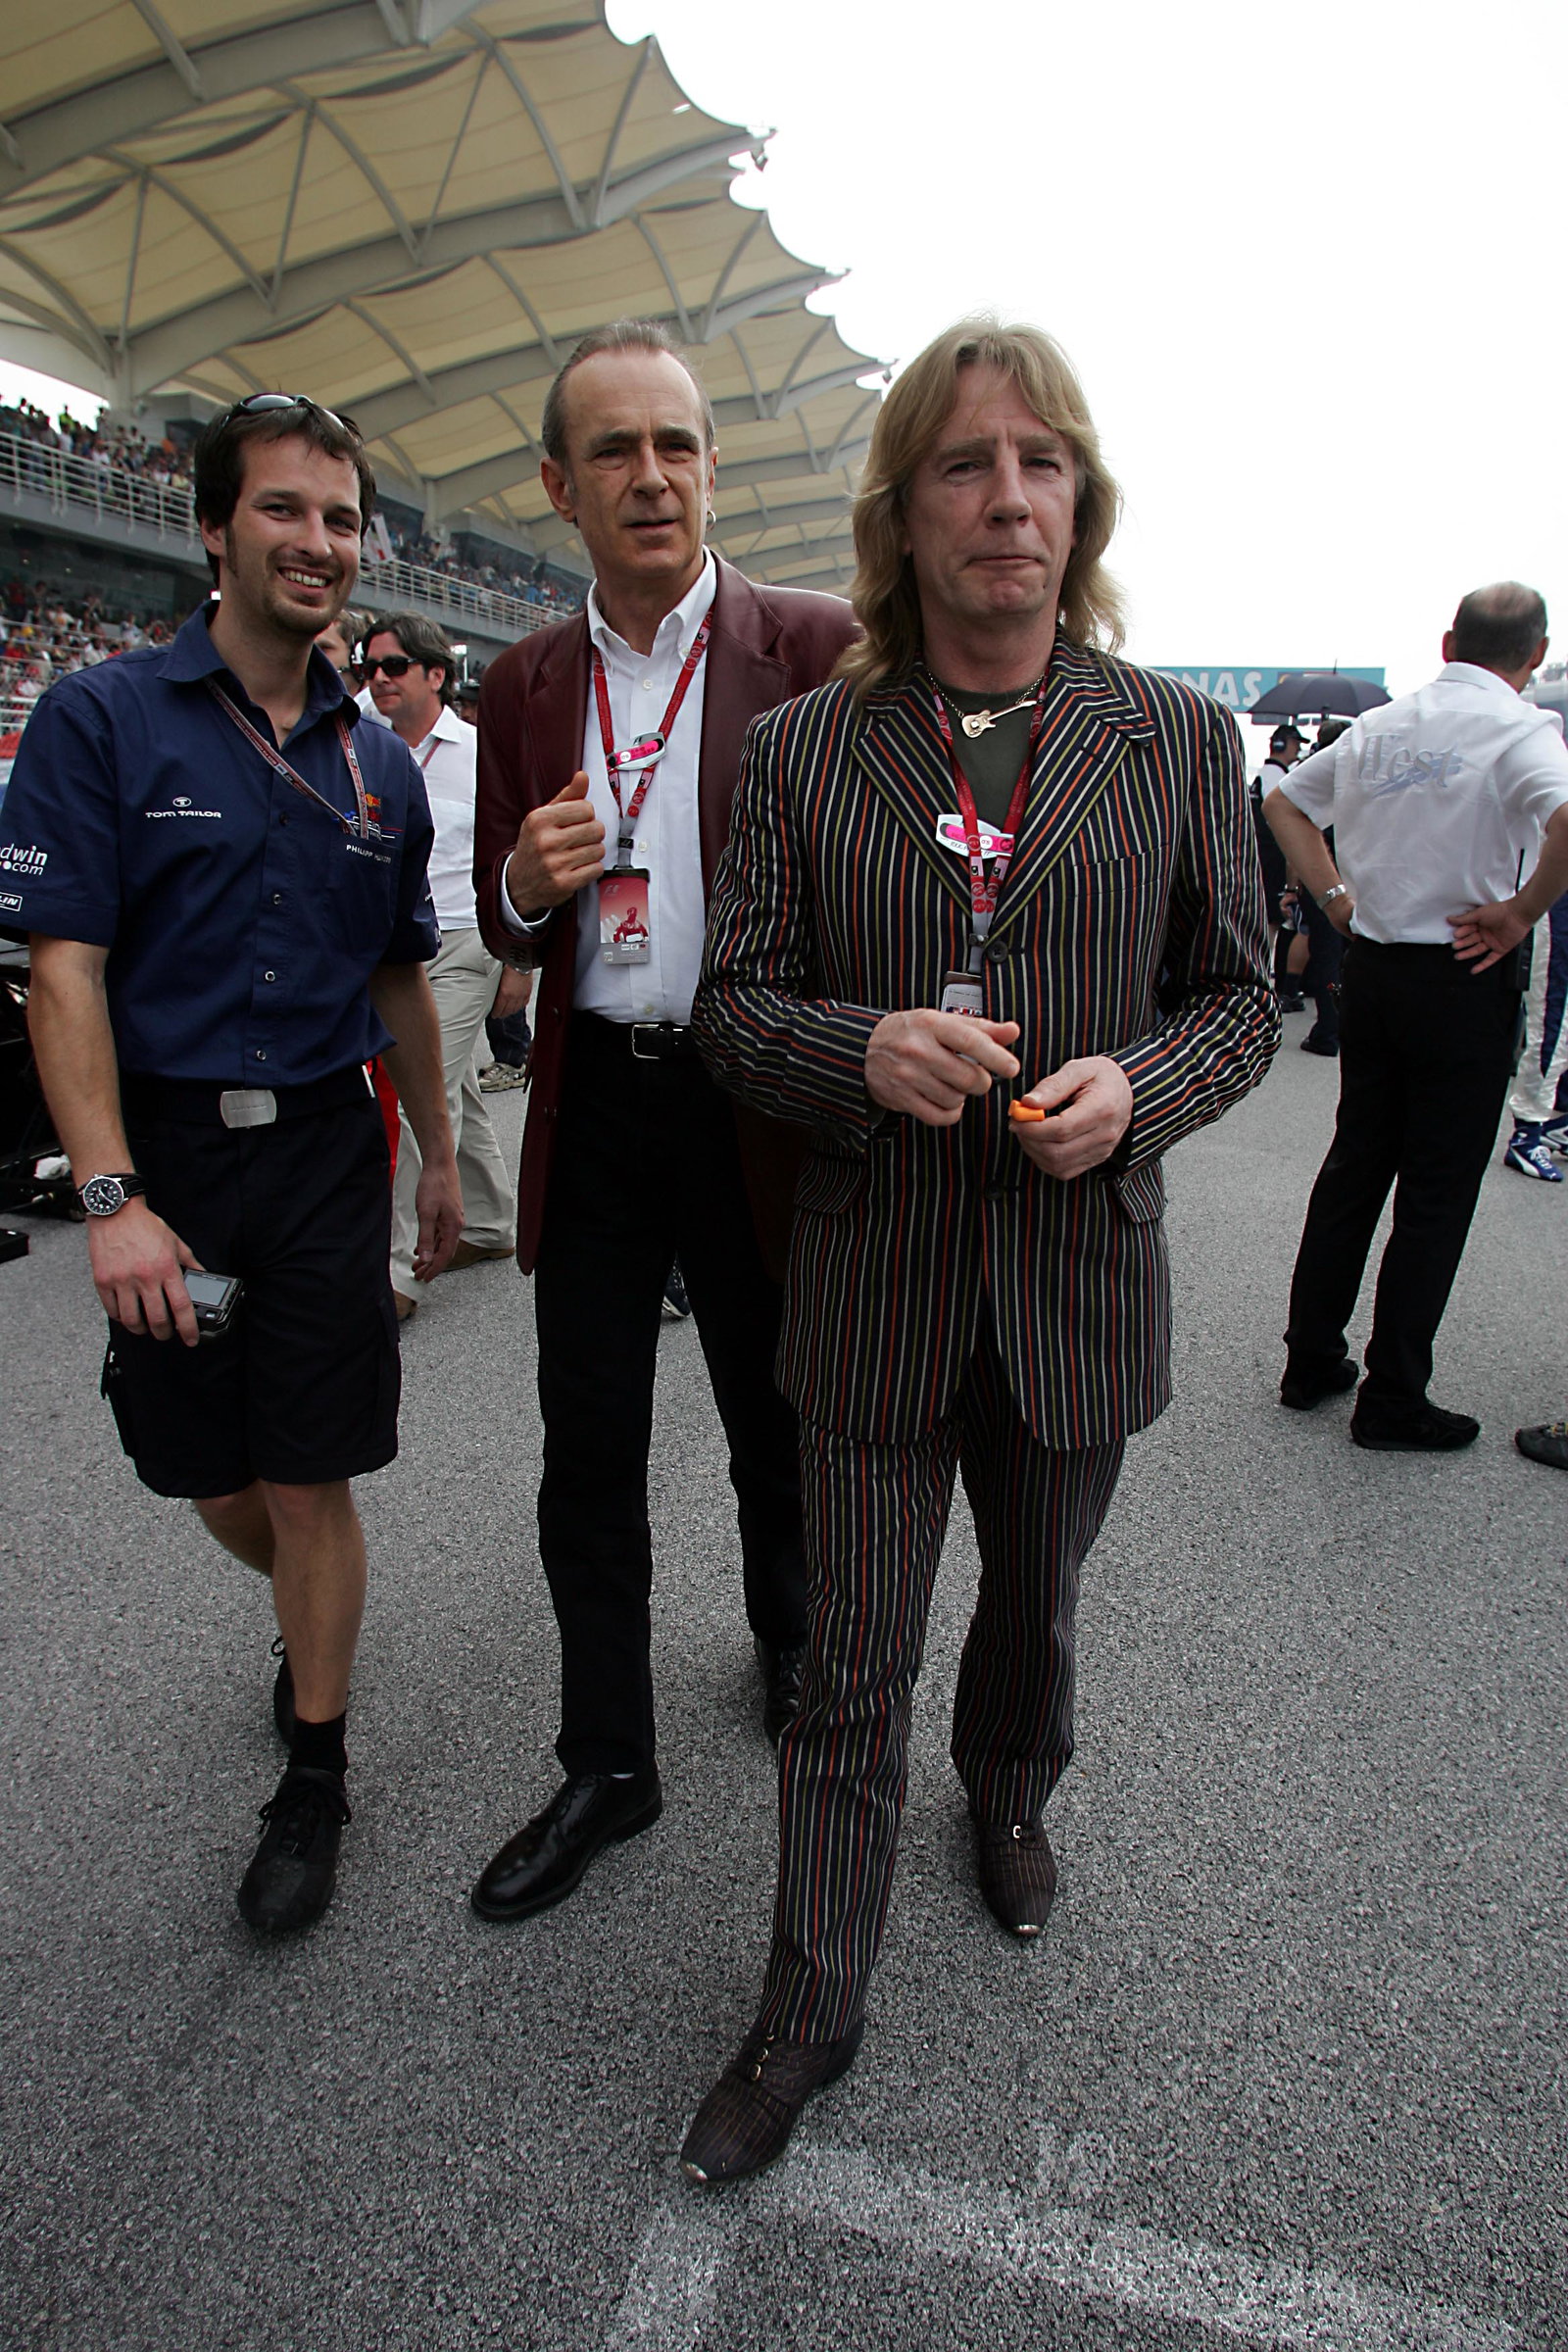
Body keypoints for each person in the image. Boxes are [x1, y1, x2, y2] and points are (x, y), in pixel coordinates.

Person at [677, 318, 1279, 2182]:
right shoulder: (803, 750)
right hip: (874, 1287)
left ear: (1079, 503)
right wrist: (855, 1051)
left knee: (1035, 1609)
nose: (1006, 496)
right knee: (848, 1667)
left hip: (1077, 1288)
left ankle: (1010, 1793)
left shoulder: (1176, 738)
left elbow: (1241, 1001)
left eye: (1040, 461)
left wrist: (1141, 1091)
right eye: (964, 463)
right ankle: (810, 2003)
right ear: (904, 514)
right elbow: (730, 1005)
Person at [0, 393, 463, 1933]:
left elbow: (400, 981)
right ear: (214, 527)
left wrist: (441, 1158)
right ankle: (304, 1614)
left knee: (312, 1470)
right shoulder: (100, 718)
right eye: (283, 509)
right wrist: (112, 1197)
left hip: (328, 1147)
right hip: (171, 1160)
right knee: (207, 1474)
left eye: (341, 520)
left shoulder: (383, 765)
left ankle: (315, 1771)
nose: (318, 543)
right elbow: (64, 971)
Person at [468, 318, 859, 1924]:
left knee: (779, 1419)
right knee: (589, 1451)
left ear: (711, 466)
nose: (652, 476)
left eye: (676, 444)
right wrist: (524, 882)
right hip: (600, 1107)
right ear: (559, 485)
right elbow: (502, 920)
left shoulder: (814, 645)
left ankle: (792, 1650)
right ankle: (607, 1762)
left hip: (757, 1099)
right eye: (614, 450)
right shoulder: (523, 680)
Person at [1266, 582, 1568, 1450]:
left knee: (1354, 1165)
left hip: (1375, 964)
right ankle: (1394, 1393)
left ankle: (1310, 1359)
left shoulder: (1379, 727)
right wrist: (1520, 913)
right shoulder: (1521, 730)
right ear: (1536, 654)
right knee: (1436, 1191)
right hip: (1463, 974)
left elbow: (1286, 803)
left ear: (1447, 642)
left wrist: (1334, 897)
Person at [361, 612, 518, 1322]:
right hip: (392, 950)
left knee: (421, 1089)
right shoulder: (357, 744)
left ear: (435, 674)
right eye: (369, 667)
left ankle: (398, 1271)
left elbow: (514, 856)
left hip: (464, 943)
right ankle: (490, 1223)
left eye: (393, 666)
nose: (378, 679)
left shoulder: (482, 752)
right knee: (457, 1088)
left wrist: (522, 963)